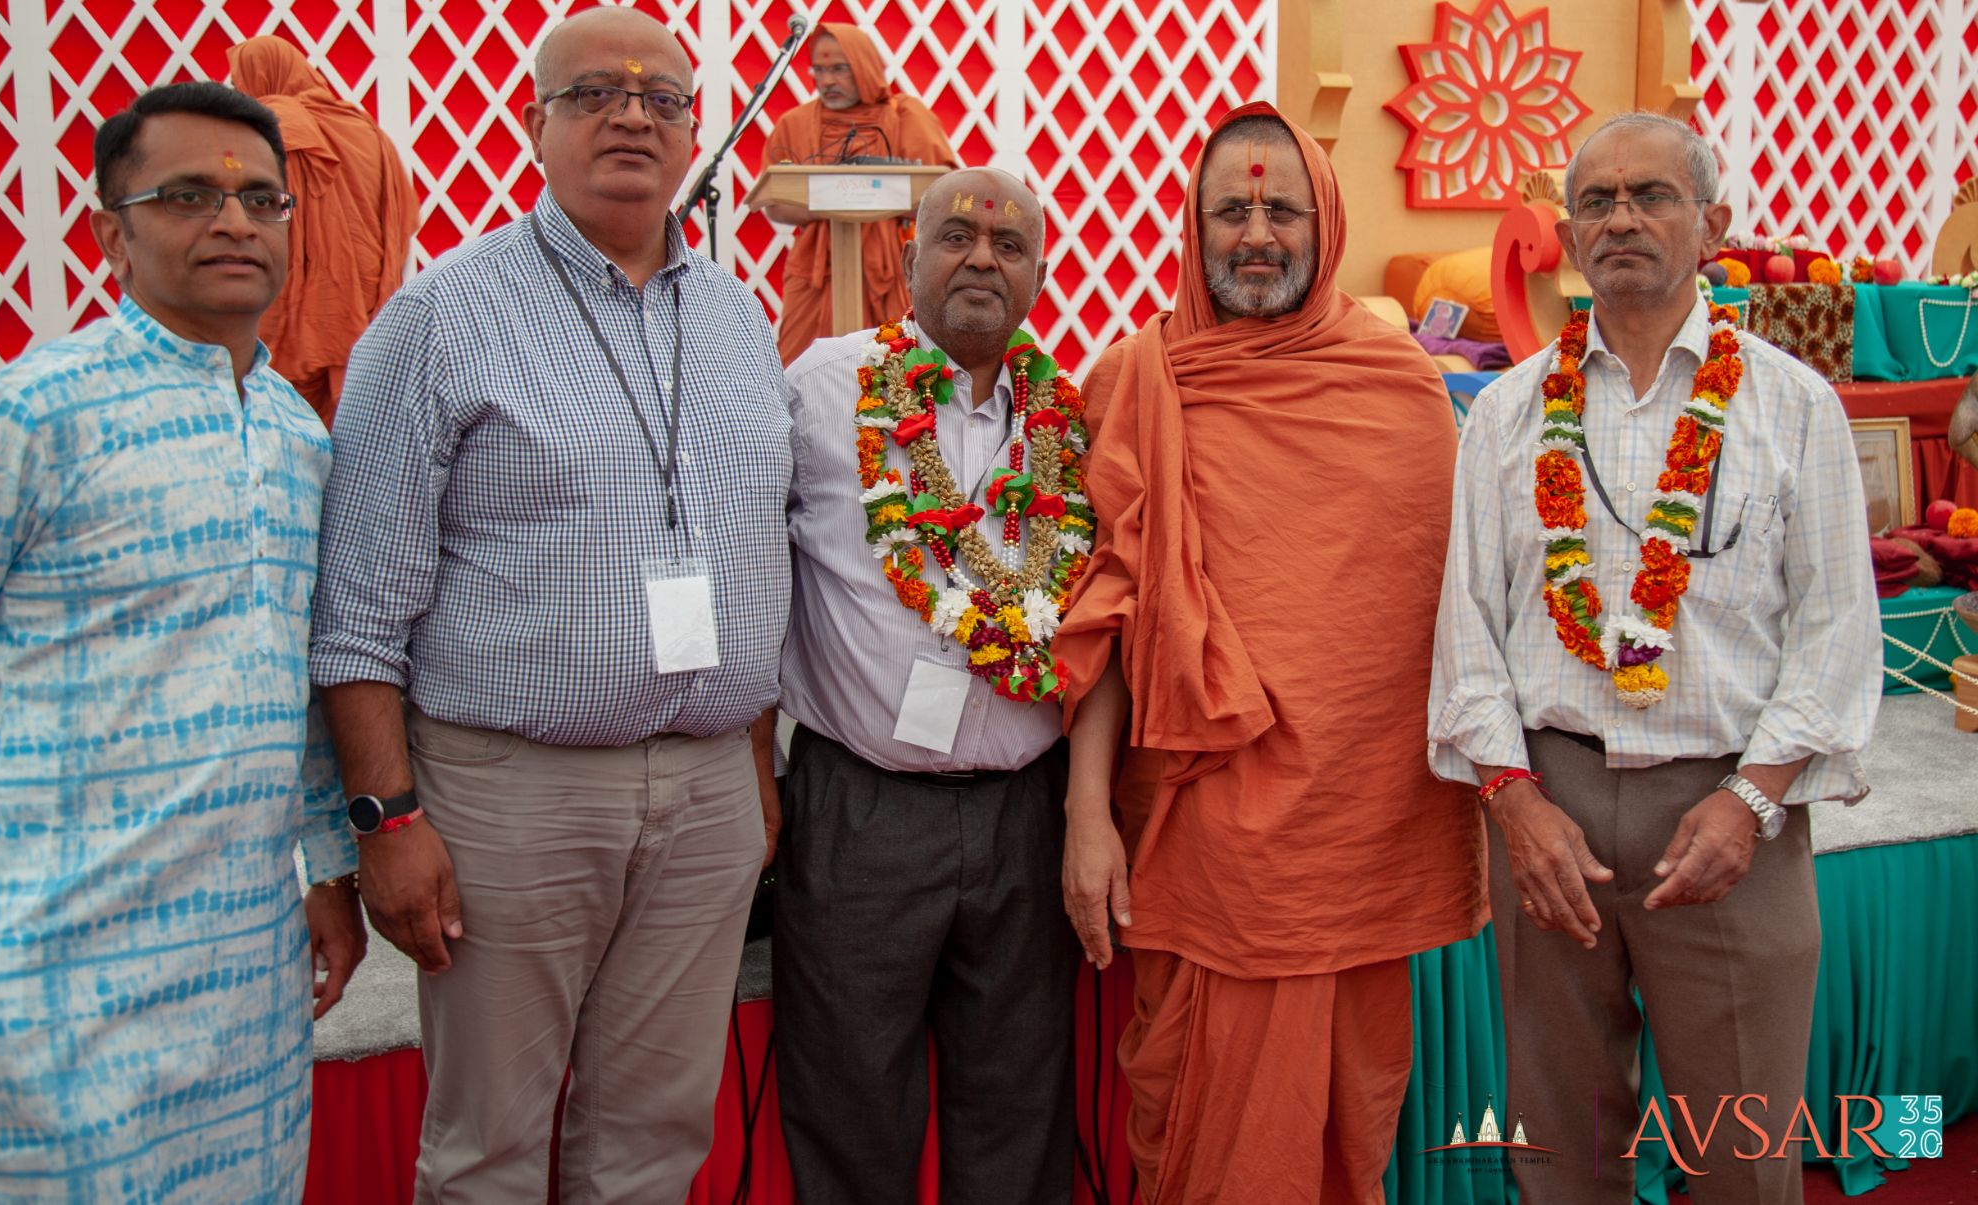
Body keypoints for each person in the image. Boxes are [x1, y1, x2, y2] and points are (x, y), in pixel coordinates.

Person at [310, 7, 790, 1203]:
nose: (631, 114)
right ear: (534, 125)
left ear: (691, 134)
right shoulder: (441, 316)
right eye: (593, 94)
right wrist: (386, 822)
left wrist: (752, 774)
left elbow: (755, 562)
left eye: (661, 98)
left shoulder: (738, 320)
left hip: (705, 793)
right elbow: (356, 610)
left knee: (654, 1141)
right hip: (511, 796)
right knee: (489, 1147)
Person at [1428, 110, 1879, 1203]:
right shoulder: (1506, 413)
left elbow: (1835, 634)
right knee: (1560, 1146)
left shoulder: (1793, 407)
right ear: (1568, 238)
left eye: (1651, 196)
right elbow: (1466, 630)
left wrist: (1751, 801)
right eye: (1596, 202)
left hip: (1731, 812)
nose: (1620, 219)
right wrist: (1512, 802)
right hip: (1549, 810)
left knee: (1741, 1152)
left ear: (1712, 227)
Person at [0, 82, 364, 1201]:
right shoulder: (19, 416)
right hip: (46, 955)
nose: (233, 222)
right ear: (109, 232)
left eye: (261, 200)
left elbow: (298, 684)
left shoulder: (298, 436)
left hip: (243, 960)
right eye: (187, 197)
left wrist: (330, 867)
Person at [1053, 102, 1485, 1205]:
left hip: (1348, 838)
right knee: (1194, 1114)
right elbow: (1105, 616)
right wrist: (1086, 815)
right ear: (1191, 228)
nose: (1255, 235)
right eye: (1229, 213)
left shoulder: (1399, 389)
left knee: (1336, 1117)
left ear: (1325, 223)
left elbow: (1438, 618)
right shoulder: (1136, 381)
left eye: (1281, 210)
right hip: (1190, 828)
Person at [772, 167, 1088, 1204]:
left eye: (1009, 245)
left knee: (1018, 1113)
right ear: (908, 260)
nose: (982, 259)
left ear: (1038, 275)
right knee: (851, 1111)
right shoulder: (824, 387)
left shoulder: (1065, 419)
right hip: (862, 814)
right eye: (956, 237)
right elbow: (750, 567)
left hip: (1022, 814)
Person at [228, 34, 419, 425]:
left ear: (263, 75)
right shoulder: (362, 126)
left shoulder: (278, 128)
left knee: (291, 422)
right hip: (369, 295)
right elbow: (399, 213)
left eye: (240, 80)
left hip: (312, 306)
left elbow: (272, 223)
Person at [761, 22, 959, 365]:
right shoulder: (795, 123)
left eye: (839, 69)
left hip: (890, 263)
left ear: (864, 67)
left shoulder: (905, 115)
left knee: (900, 371)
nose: (827, 80)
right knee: (798, 366)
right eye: (819, 70)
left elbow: (943, 195)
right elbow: (775, 204)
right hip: (816, 270)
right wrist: (835, 202)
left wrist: (870, 198)